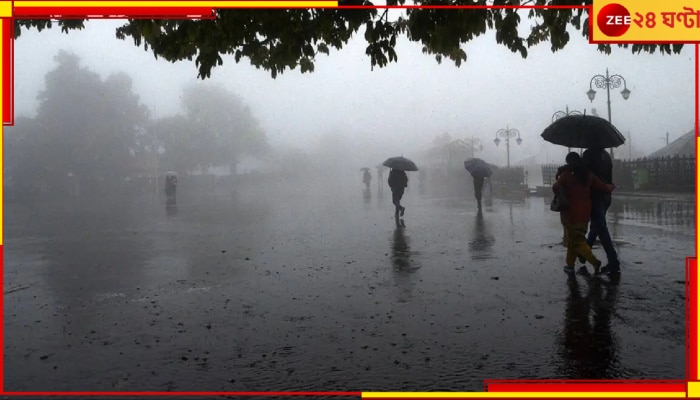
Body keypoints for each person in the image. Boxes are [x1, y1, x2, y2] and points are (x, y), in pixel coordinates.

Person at [553, 152, 615, 275]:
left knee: (577, 242)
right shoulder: (589, 175)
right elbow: (603, 187)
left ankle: (594, 261)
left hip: (569, 214)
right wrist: (612, 186)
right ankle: (569, 266)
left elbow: (555, 188)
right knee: (573, 240)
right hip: (584, 214)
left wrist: (559, 177)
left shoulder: (566, 175)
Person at [582, 147, 620, 275]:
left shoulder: (588, 154)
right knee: (596, 226)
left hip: (595, 195)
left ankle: (613, 261)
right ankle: (584, 253)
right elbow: (609, 175)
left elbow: (584, 174)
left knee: (601, 228)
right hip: (606, 195)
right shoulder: (606, 155)